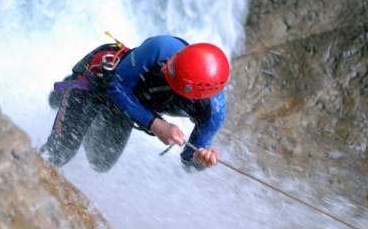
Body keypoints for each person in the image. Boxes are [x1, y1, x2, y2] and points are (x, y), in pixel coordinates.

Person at [41, 35, 229, 172]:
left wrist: (200, 161)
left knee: (100, 163)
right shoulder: (161, 47)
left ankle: (84, 117)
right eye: (174, 60)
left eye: (172, 71)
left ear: (190, 93)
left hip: (127, 105)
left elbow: (188, 161)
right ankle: (69, 97)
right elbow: (117, 86)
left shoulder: (212, 114)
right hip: (101, 79)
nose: (166, 65)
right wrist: (157, 125)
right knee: (58, 154)